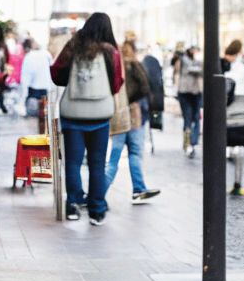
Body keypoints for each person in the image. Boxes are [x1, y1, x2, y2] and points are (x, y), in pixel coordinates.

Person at [51, 13, 124, 225]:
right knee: (97, 163)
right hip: (100, 116)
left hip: (73, 115)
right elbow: (117, 83)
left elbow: (56, 74)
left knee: (73, 162)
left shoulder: (73, 46)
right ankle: (96, 211)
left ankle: (73, 206)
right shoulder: (111, 52)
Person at [107, 40, 162, 203]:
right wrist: (133, 101)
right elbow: (145, 87)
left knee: (113, 159)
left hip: (117, 115)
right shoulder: (134, 65)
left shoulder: (113, 67)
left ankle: (98, 194)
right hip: (134, 115)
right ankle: (138, 189)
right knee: (135, 154)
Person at [222, 45, 244, 196]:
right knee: (239, 147)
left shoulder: (234, 70)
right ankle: (237, 182)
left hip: (232, 110)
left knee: (232, 146)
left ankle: (233, 182)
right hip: (240, 110)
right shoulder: (240, 68)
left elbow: (227, 88)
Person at [177, 46, 204, 156]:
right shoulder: (184, 60)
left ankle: (191, 143)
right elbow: (193, 69)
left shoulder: (193, 60)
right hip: (186, 92)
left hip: (195, 92)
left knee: (195, 118)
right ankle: (188, 143)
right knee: (189, 118)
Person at [20, 36, 54, 120]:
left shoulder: (29, 56)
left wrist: (24, 91)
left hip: (34, 87)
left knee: (34, 113)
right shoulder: (46, 54)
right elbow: (52, 67)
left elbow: (26, 74)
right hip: (44, 86)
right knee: (43, 112)